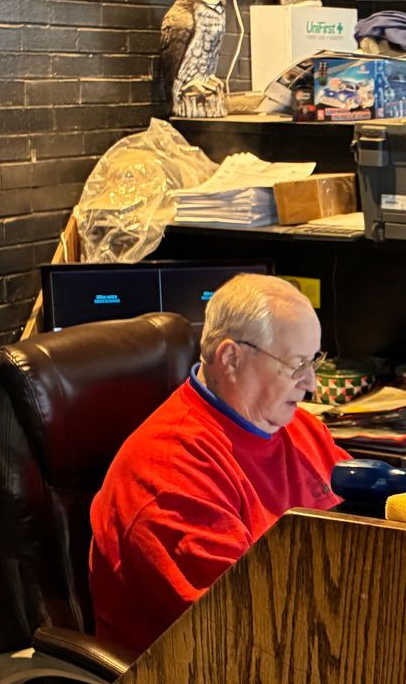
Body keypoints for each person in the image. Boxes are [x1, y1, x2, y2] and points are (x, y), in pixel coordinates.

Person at [88, 274, 348, 657]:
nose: (310, 383)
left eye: (314, 362)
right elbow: (245, 629)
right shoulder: (168, 471)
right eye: (296, 365)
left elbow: (369, 527)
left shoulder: (299, 427)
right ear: (230, 359)